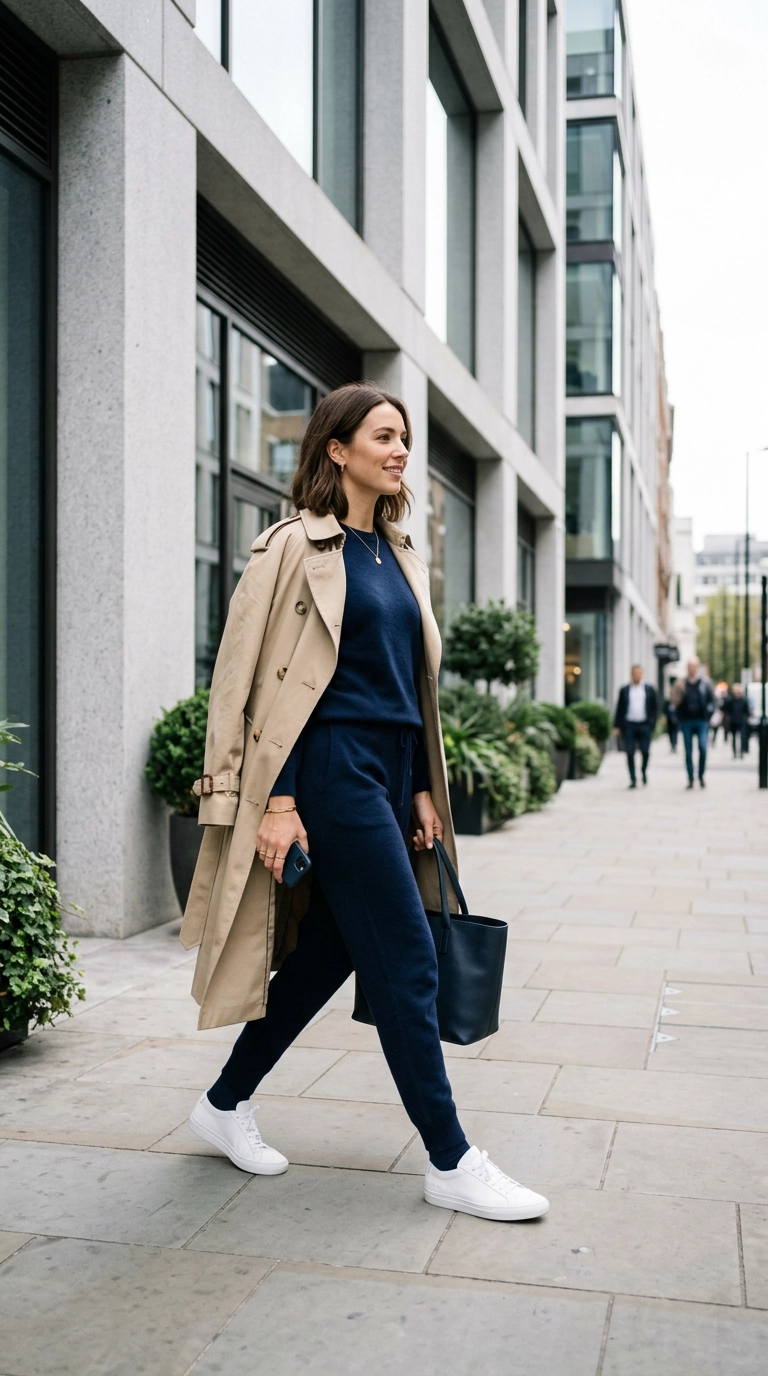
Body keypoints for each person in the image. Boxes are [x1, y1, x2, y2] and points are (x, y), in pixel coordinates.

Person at [179, 382, 549, 1224]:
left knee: (333, 953)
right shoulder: (290, 550)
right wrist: (272, 800)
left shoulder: (397, 551)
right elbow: (240, 686)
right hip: (331, 769)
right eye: (383, 436)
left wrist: (421, 780)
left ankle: (225, 1101)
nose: (399, 450)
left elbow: (409, 684)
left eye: (404, 438)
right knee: (410, 958)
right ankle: (453, 1159)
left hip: (389, 769)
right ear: (336, 449)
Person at [670, 657, 715, 788]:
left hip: (702, 721)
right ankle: (690, 777)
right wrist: (677, 716)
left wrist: (709, 715)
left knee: (703, 748)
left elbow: (712, 701)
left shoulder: (705, 683)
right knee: (688, 751)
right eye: (690, 666)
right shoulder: (680, 684)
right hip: (686, 721)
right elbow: (674, 701)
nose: (692, 669)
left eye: (694, 666)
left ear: (698, 667)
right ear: (687, 668)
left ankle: (700, 775)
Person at [613, 665, 658, 788]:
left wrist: (652, 724)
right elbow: (620, 708)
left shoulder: (649, 689)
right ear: (631, 674)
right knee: (629, 751)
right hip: (629, 725)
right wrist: (617, 726)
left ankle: (643, 771)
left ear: (642, 674)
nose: (637, 675)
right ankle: (633, 778)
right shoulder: (625, 690)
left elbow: (655, 708)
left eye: (639, 673)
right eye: (635, 673)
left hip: (644, 725)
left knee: (645, 751)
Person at [724, 682, 750, 758]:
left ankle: (741, 751)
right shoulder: (730, 700)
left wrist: (746, 717)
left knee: (742, 736)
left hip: (741, 720)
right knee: (734, 737)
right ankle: (735, 752)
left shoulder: (744, 700)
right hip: (733, 721)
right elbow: (727, 709)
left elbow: (747, 710)